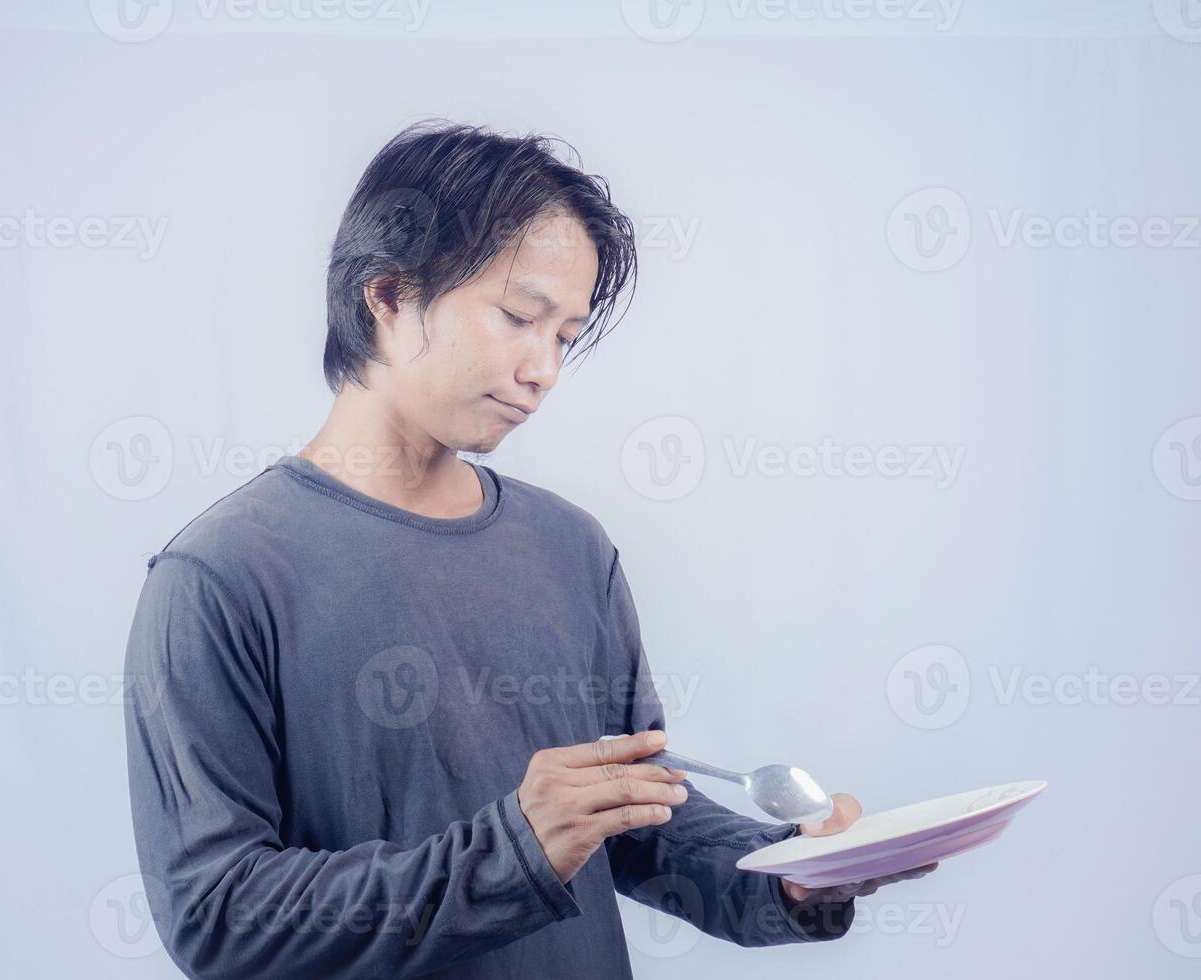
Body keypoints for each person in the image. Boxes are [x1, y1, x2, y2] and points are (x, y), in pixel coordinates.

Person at [123, 119, 936, 979]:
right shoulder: (218, 578)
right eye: (519, 316)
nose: (543, 368)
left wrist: (793, 877)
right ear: (389, 294)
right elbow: (218, 917)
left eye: (565, 336)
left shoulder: (571, 547)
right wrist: (513, 850)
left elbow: (637, 823)